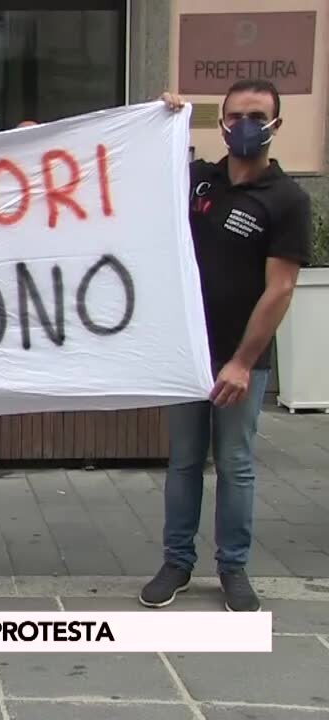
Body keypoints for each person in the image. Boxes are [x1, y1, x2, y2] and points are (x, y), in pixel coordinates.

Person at [144, 80, 311, 612]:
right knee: (184, 461)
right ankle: (176, 563)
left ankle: (233, 568)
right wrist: (159, 117)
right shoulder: (197, 181)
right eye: (235, 114)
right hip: (185, 352)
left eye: (256, 115)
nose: (244, 124)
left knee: (235, 463)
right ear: (221, 124)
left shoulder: (287, 199)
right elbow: (136, 175)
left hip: (240, 359)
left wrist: (241, 362)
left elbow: (280, 287)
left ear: (275, 126)